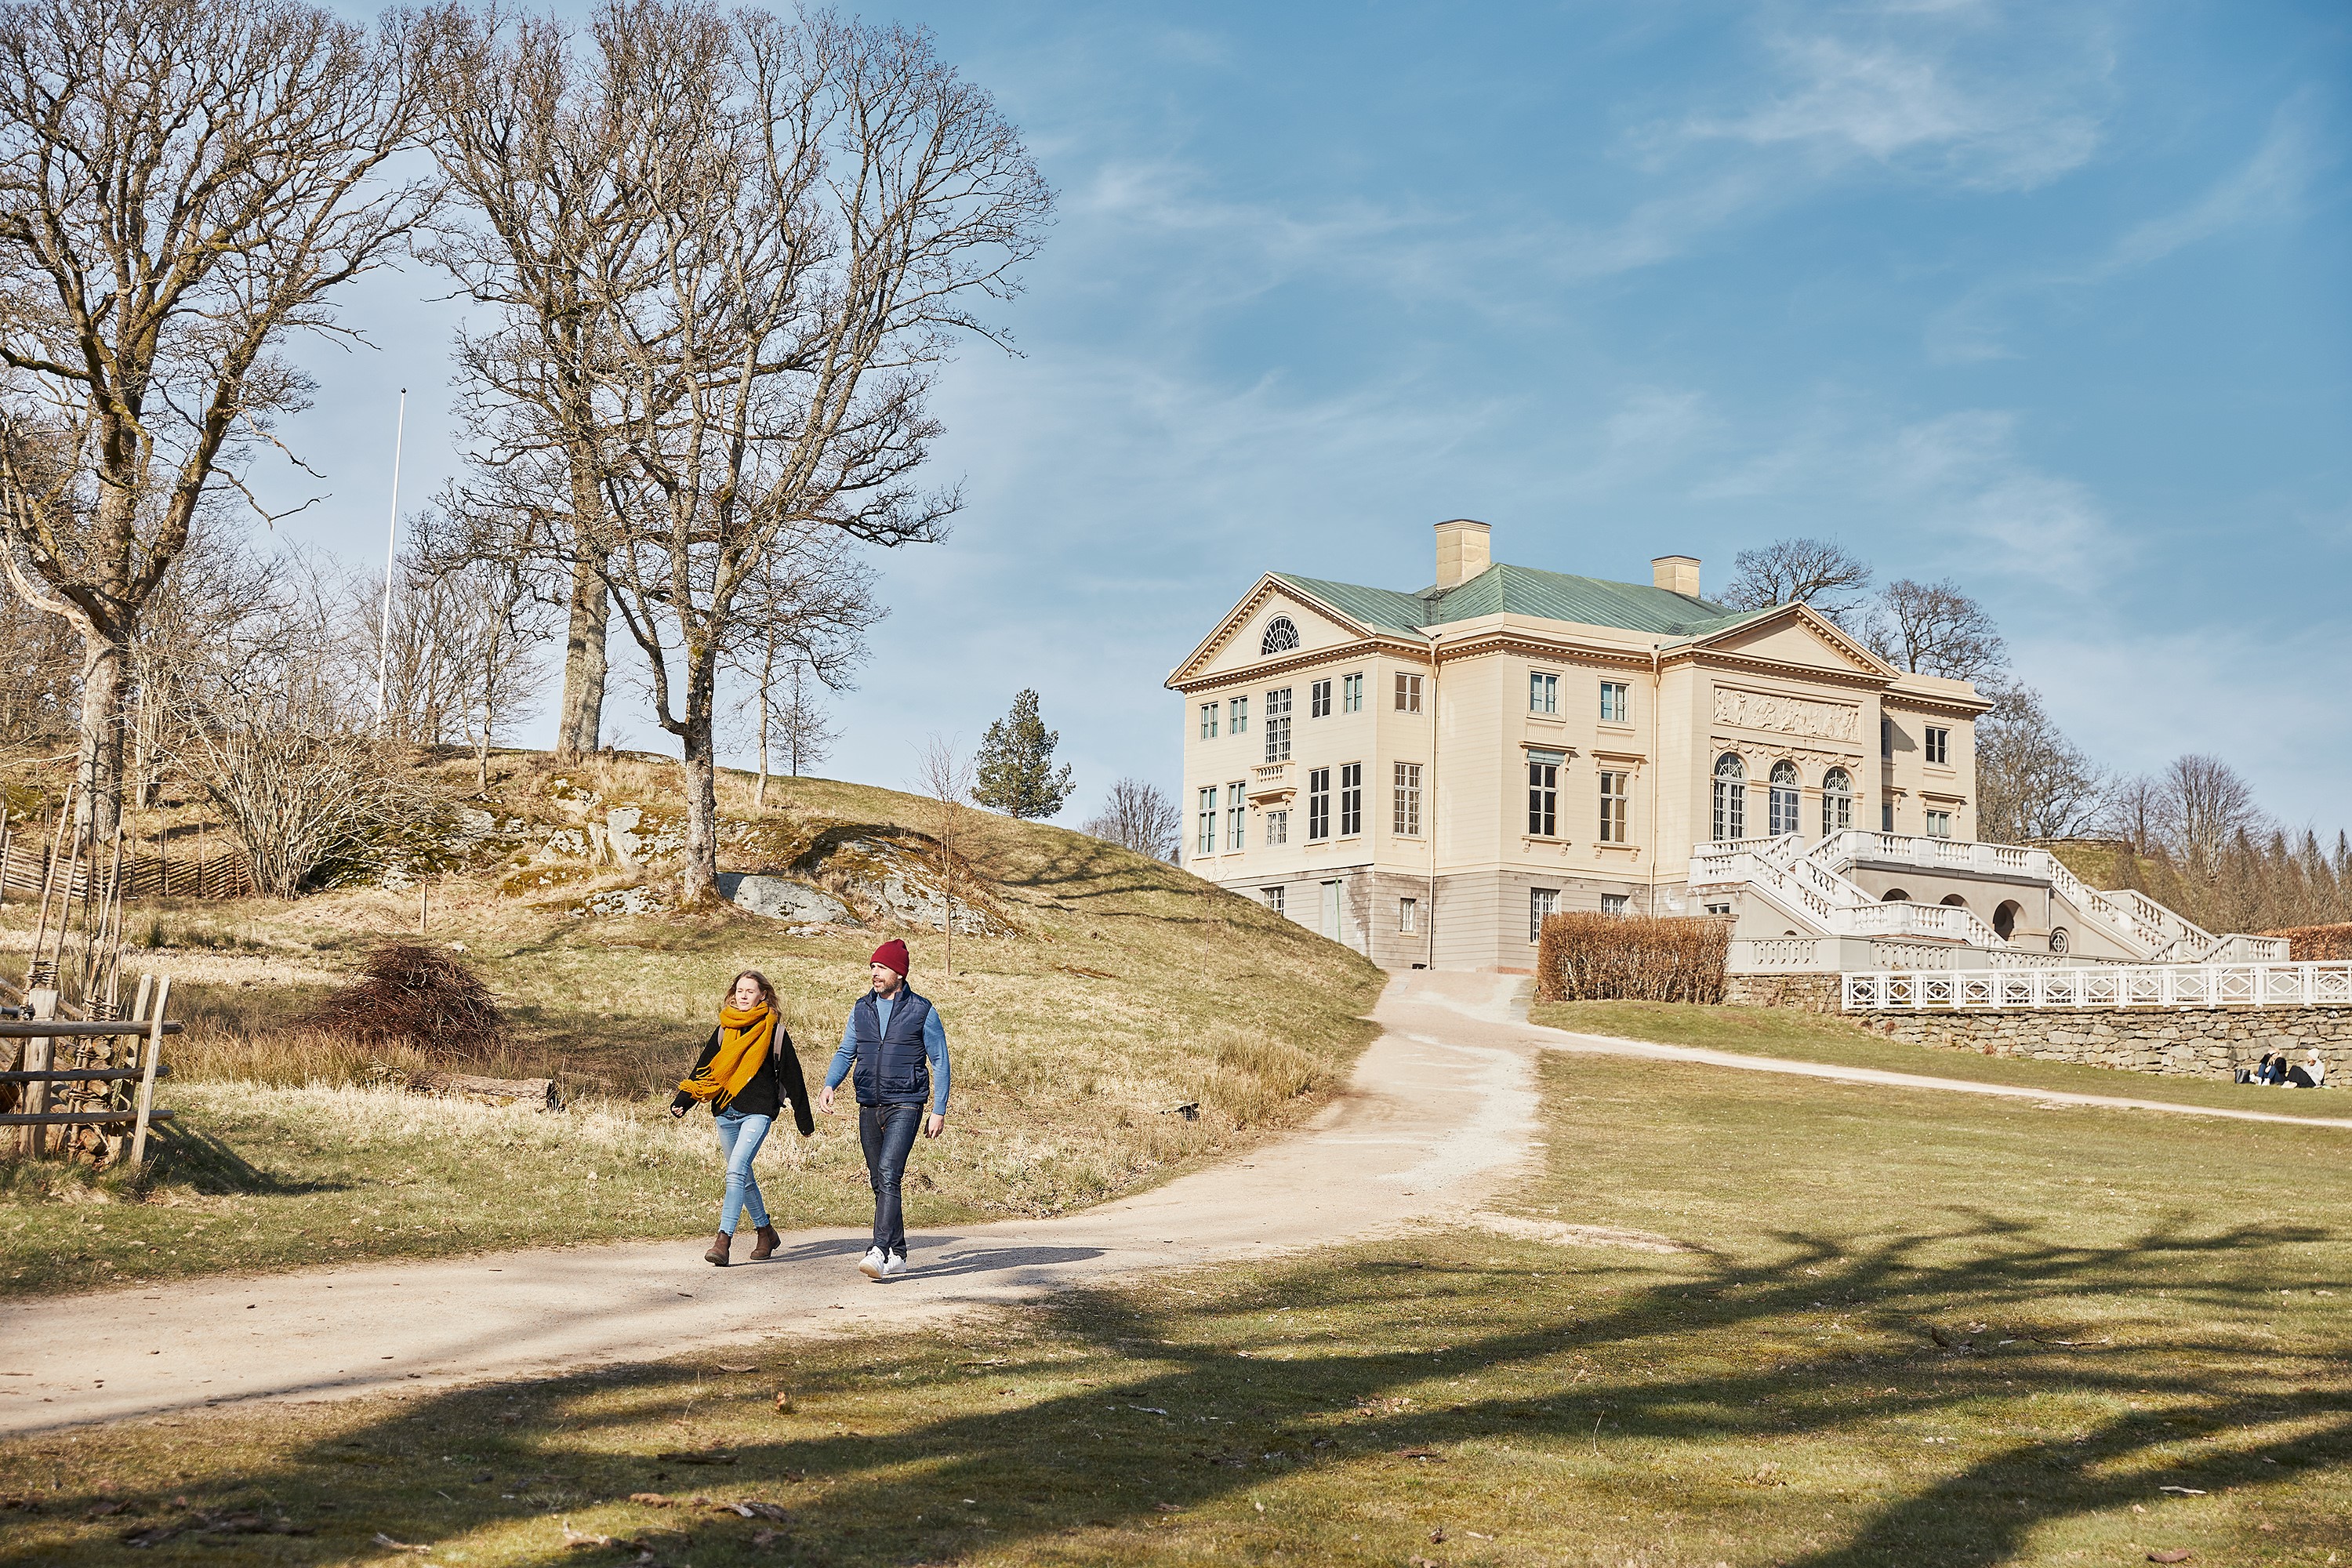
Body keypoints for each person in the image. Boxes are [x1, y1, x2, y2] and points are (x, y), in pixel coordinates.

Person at [818, 938, 949, 1280]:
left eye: (882, 968)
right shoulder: (862, 1008)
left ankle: (877, 1250)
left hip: (906, 1102)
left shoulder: (922, 1010)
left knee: (890, 1173)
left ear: (899, 974)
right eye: (873, 967)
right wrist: (831, 1084)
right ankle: (899, 1253)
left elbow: (940, 1061)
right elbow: (847, 1051)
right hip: (869, 1103)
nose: (875, 974)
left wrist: (939, 1108)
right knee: (880, 1181)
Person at [671, 969, 814, 1266]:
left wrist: (804, 1120)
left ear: (764, 994)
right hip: (725, 1110)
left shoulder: (774, 1031)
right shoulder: (725, 1028)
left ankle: (723, 1240)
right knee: (744, 1176)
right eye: (739, 990)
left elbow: (793, 1075)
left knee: (736, 1170)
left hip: (758, 1111)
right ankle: (765, 1231)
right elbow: (705, 1067)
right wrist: (685, 1100)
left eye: (750, 991)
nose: (744, 995)